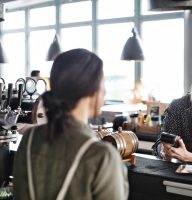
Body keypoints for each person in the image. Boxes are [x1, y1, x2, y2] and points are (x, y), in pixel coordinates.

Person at [13, 48, 129, 200]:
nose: (105, 92)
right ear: (90, 90)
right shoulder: (103, 156)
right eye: (103, 83)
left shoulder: (30, 138)